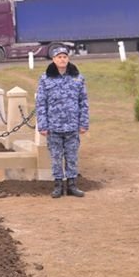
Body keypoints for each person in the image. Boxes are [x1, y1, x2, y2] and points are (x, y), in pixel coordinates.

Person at [36, 46, 90, 198]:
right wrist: (43, 125)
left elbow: (83, 102)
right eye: (59, 57)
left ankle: (72, 185)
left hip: (72, 126)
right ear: (53, 59)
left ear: (68, 59)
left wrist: (83, 123)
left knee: (72, 157)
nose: (62, 59)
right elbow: (41, 104)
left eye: (64, 57)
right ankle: (58, 186)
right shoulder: (45, 79)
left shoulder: (77, 78)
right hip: (54, 127)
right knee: (56, 158)